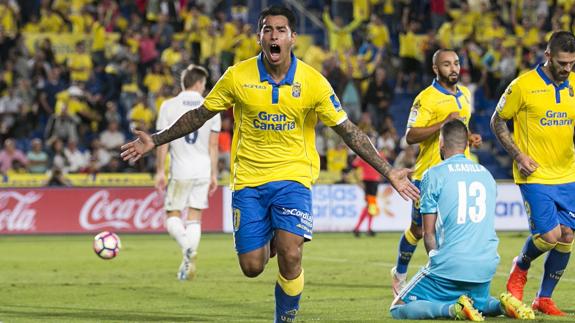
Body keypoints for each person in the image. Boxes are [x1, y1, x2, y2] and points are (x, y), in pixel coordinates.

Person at [121, 6, 418, 322]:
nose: (273, 35)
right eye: (267, 29)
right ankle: (275, 234)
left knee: (291, 254)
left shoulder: (313, 82)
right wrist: (155, 139)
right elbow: (199, 116)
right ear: (259, 36)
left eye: (280, 30)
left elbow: (348, 130)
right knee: (252, 267)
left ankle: (285, 317)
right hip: (248, 181)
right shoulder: (237, 76)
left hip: (293, 178)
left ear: (293, 37)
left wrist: (389, 171)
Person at [390, 119, 534, 321]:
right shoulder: (486, 175)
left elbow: (428, 233)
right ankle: (501, 305)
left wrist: (436, 258)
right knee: (479, 302)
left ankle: (453, 310)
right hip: (486, 264)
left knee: (398, 307)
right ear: (467, 144)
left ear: (441, 144)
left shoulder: (433, 174)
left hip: (451, 263)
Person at [490, 30, 575, 316]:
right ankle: (520, 266)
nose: (567, 69)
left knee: (567, 236)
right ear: (548, 56)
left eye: (572, 63)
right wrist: (517, 154)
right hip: (534, 173)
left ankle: (544, 299)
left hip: (568, 174)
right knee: (550, 236)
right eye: (562, 63)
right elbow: (497, 121)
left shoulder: (574, 82)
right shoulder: (522, 85)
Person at [391, 49, 482, 297]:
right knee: (419, 230)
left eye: (456, 63)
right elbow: (410, 136)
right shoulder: (426, 98)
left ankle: (452, 280)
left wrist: (469, 137)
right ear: (435, 69)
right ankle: (400, 273)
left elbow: (461, 127)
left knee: (453, 228)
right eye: (446, 64)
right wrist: (441, 124)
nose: (453, 68)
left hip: (459, 172)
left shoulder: (464, 94)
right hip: (429, 174)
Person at [155, 64, 221, 281]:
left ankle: (187, 249)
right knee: (195, 217)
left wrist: (159, 171)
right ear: (199, 83)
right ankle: (187, 260)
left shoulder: (168, 106)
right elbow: (213, 145)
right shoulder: (211, 106)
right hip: (203, 168)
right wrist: (214, 174)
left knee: (172, 216)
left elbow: (162, 142)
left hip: (180, 169)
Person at [351, 153, 383, 237]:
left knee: (370, 205)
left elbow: (354, 166)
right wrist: (358, 181)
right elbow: (354, 167)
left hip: (371, 182)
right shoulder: (367, 155)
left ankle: (360, 228)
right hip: (369, 182)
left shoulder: (365, 154)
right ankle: (363, 229)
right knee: (371, 205)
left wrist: (358, 181)